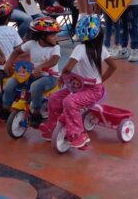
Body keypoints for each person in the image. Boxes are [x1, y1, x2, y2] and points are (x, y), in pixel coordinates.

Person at [39, 15, 118, 149]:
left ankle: (78, 134)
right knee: (54, 98)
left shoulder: (82, 49)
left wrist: (62, 77)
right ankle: (52, 128)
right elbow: (113, 67)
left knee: (69, 102)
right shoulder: (99, 49)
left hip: (92, 90)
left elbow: (67, 68)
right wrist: (100, 80)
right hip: (79, 86)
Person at [0, 16, 61, 127]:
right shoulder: (32, 44)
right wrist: (9, 63)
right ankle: (6, 108)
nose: (56, 37)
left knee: (35, 87)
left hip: (49, 77)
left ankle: (36, 113)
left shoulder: (55, 48)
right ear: (42, 36)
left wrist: (41, 67)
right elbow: (16, 52)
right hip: (31, 73)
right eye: (53, 35)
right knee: (10, 84)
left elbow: (54, 60)